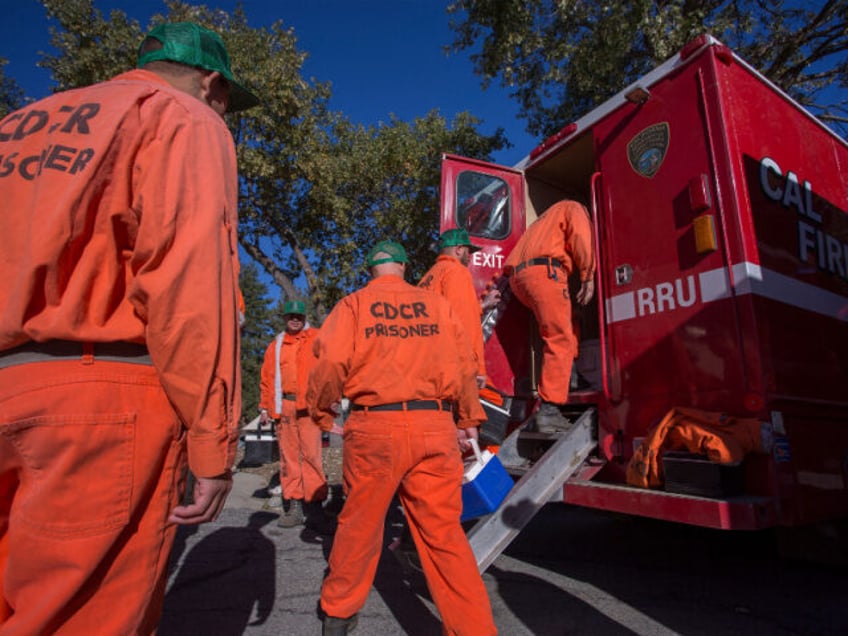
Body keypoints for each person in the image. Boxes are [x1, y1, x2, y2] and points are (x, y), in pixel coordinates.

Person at [0, 22, 258, 634]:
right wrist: (211, 442)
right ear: (211, 82)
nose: (222, 110)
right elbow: (188, 280)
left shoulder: (18, 126)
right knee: (81, 617)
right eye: (225, 100)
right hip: (96, 401)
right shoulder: (182, 117)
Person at [307, 240, 497, 636]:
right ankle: (474, 629)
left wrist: (321, 411)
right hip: (435, 426)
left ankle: (338, 614)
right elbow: (463, 365)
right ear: (404, 267)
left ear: (372, 270)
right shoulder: (437, 306)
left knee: (359, 524)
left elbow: (329, 364)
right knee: (444, 535)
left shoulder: (354, 305)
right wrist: (469, 419)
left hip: (375, 426)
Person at [505, 198, 595, 432]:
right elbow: (581, 239)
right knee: (559, 338)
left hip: (519, 278)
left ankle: (572, 378)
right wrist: (587, 275)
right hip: (544, 273)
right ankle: (550, 409)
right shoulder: (575, 208)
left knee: (567, 320)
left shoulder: (545, 219)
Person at [258, 299, 331, 531]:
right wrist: (264, 408)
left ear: (304, 317)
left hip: (311, 406)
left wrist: (332, 398)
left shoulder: (318, 337)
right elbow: (267, 379)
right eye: (291, 316)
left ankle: (316, 506)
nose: (295, 320)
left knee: (312, 456)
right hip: (285, 407)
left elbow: (331, 366)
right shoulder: (276, 345)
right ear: (285, 318)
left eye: (299, 316)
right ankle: (295, 507)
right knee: (289, 459)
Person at [419, 227, 500, 388]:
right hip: (454, 367)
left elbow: (446, 312)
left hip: (429, 364)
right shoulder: (456, 271)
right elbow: (465, 323)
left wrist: (482, 306)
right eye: (468, 252)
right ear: (458, 249)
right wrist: (478, 370)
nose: (469, 257)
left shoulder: (428, 278)